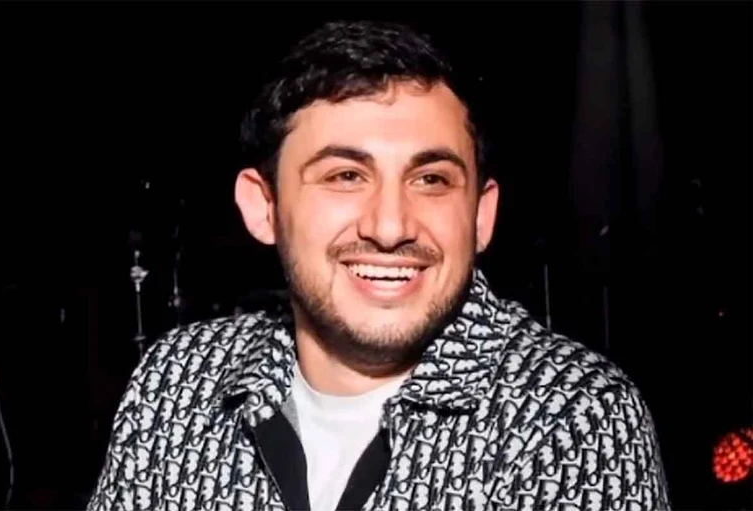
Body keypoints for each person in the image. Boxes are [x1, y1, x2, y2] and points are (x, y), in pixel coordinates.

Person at [88, 19, 670, 511]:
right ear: (264, 207)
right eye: (346, 176)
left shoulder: (570, 417)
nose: (390, 227)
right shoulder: (179, 384)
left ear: (481, 215)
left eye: (431, 179)